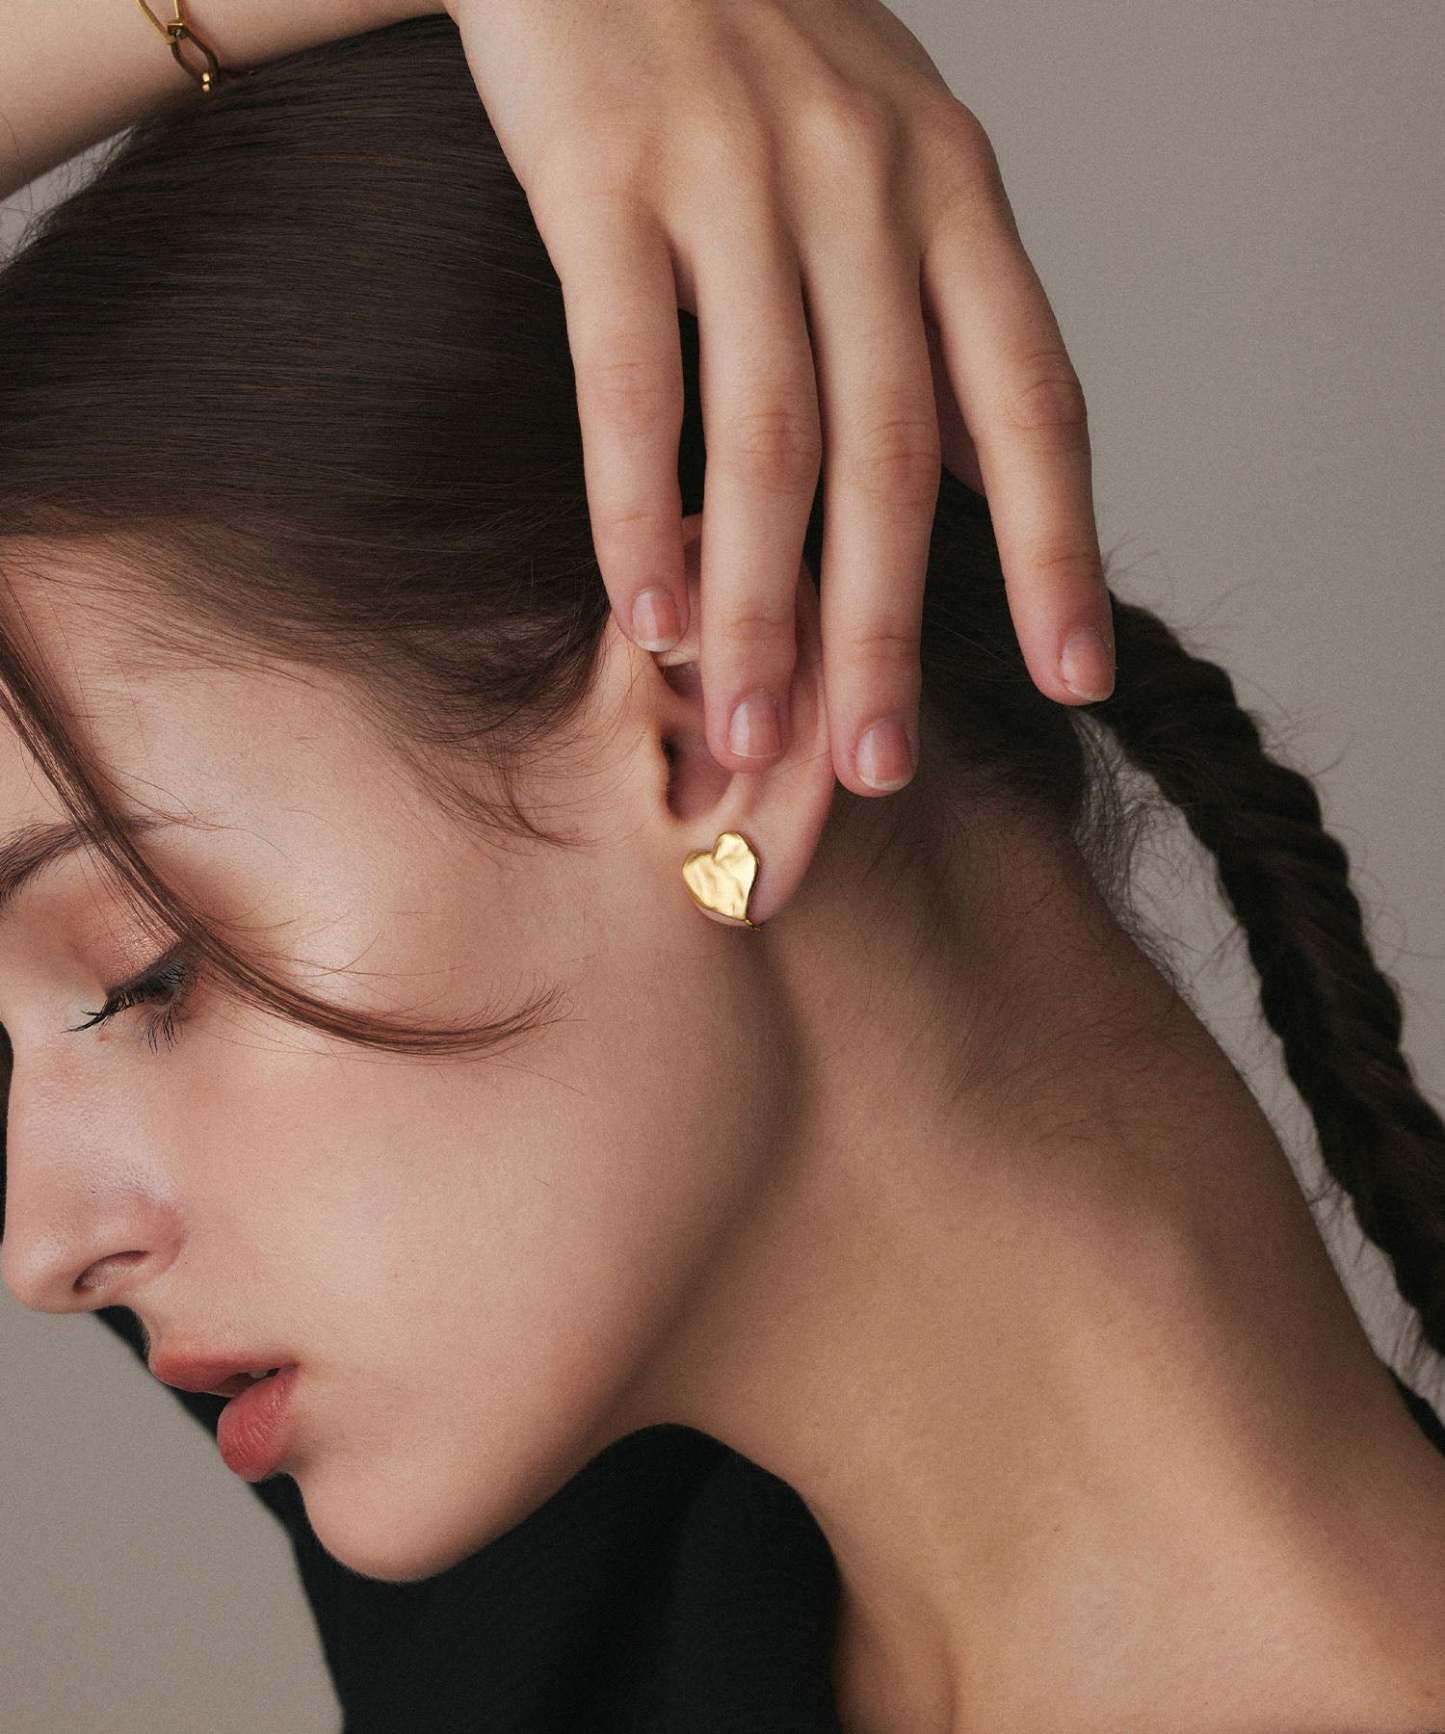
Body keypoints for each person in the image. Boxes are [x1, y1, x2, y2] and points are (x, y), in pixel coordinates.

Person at [0, 12, 1442, 1734]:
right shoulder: (558, 1527)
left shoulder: (553, 1552)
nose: (41, 1246)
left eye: (141, 973)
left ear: (717, 738)